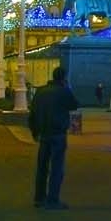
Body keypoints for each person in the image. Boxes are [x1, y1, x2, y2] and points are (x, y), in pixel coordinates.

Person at [29, 66, 80, 210]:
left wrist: (34, 132)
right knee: (57, 167)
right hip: (58, 134)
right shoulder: (63, 91)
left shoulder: (40, 91)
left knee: (42, 167)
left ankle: (39, 198)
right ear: (64, 77)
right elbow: (75, 105)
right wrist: (68, 88)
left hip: (43, 134)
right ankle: (52, 199)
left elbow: (33, 113)